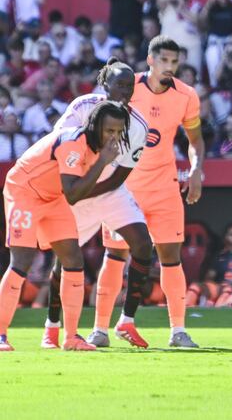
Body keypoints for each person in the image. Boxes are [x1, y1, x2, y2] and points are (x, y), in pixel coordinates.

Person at [40, 59, 152, 350]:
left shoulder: (139, 126)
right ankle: (51, 328)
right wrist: (72, 193)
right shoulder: (82, 106)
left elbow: (117, 179)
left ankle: (126, 321)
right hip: (75, 190)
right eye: (119, 85)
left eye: (130, 86)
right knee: (63, 262)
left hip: (107, 191)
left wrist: (82, 193)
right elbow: (57, 146)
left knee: (143, 244)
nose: (125, 91)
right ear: (105, 84)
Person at [101, 36, 204, 348]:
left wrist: (196, 169)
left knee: (171, 257)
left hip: (164, 187)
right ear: (150, 60)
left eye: (174, 61)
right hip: (124, 186)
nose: (170, 67)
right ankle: (99, 329)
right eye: (164, 60)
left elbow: (195, 140)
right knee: (115, 255)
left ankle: (178, 331)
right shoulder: (127, 86)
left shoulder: (186, 95)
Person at [0, 101, 128, 351]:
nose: (114, 137)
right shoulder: (73, 142)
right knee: (21, 261)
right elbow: (72, 194)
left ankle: (71, 337)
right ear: (95, 126)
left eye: (118, 131)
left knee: (73, 259)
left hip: (53, 197)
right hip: (24, 192)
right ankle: (0, 335)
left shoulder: (98, 148)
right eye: (109, 130)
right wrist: (103, 162)